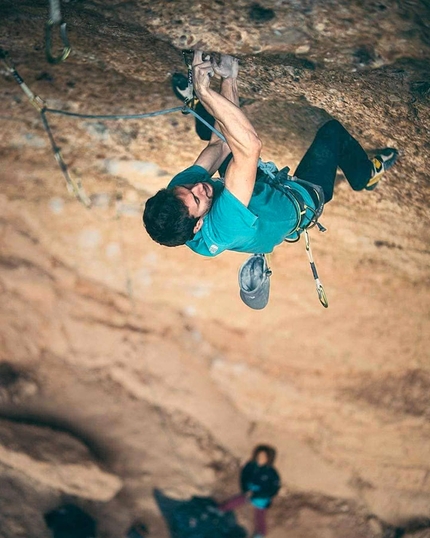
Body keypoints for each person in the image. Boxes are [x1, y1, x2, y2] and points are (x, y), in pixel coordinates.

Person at [142, 51, 398, 258]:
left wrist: (229, 79)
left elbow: (219, 146)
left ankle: (202, 111)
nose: (199, 186)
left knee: (218, 136)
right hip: (297, 202)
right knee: (332, 134)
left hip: (252, 197)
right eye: (196, 199)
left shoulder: (178, 198)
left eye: (187, 188)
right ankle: (364, 176)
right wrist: (205, 92)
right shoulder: (222, 227)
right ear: (198, 225)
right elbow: (250, 146)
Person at [218, 444, 281, 538]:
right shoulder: (250, 466)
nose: (261, 458)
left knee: (260, 515)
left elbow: (274, 488)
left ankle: (260, 533)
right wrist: (245, 489)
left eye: (264, 457)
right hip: (249, 491)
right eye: (259, 456)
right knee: (236, 500)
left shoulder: (271, 472)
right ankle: (221, 509)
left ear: (269, 458)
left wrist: (260, 494)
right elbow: (244, 477)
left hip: (261, 497)